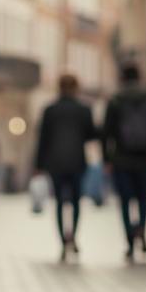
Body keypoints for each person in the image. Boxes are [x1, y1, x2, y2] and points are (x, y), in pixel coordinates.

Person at [102, 62, 146, 261]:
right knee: (143, 198)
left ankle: (129, 243)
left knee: (124, 201)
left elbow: (107, 133)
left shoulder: (115, 101)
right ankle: (142, 230)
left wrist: (108, 158)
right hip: (145, 159)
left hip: (122, 159)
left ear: (122, 78)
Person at [34, 73, 98, 261]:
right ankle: (74, 237)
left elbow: (42, 140)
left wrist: (38, 165)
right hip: (77, 162)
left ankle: (63, 241)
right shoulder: (84, 109)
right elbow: (91, 135)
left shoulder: (50, 110)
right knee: (76, 201)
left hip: (55, 163)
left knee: (61, 202)